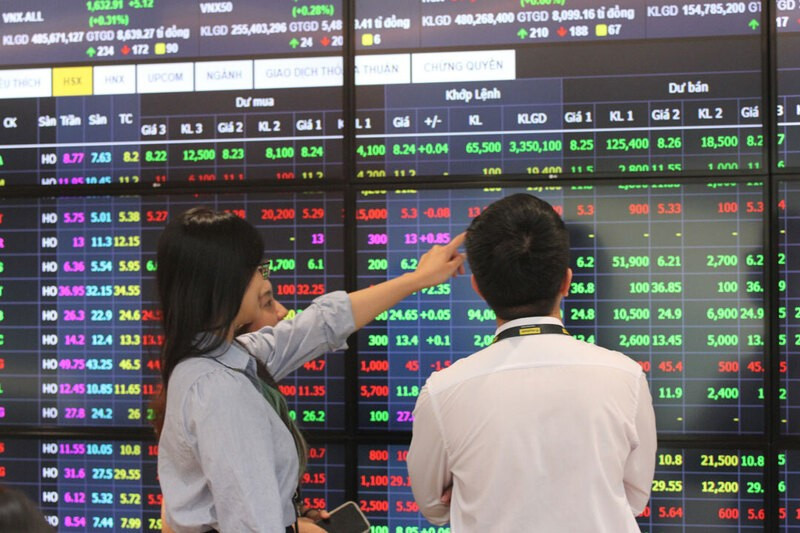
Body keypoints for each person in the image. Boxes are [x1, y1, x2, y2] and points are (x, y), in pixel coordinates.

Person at [154, 207, 465, 533]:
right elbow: (254, 524)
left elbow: (319, 325)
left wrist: (418, 278)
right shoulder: (218, 388)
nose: (265, 280)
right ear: (225, 280)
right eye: (259, 269)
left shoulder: (219, 361)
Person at [407, 193, 657, 532]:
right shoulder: (625, 376)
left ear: (478, 288)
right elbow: (633, 500)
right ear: (567, 281)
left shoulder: (444, 390)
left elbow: (434, 508)